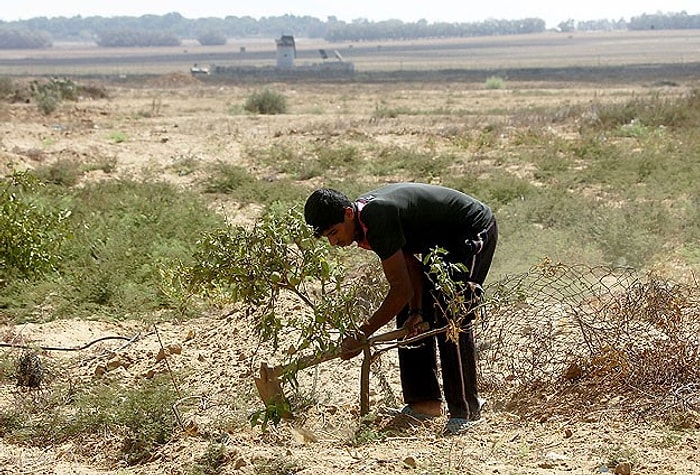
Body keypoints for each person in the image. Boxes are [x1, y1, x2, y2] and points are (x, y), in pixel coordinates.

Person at [303, 182, 498, 435]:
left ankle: (466, 411)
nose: (333, 242)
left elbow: (400, 289)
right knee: (409, 314)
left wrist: (363, 332)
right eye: (328, 237)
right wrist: (416, 311)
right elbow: (410, 270)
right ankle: (424, 403)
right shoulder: (364, 224)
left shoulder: (377, 216)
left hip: (471, 231)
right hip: (440, 244)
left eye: (333, 232)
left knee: (451, 315)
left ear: (347, 214)